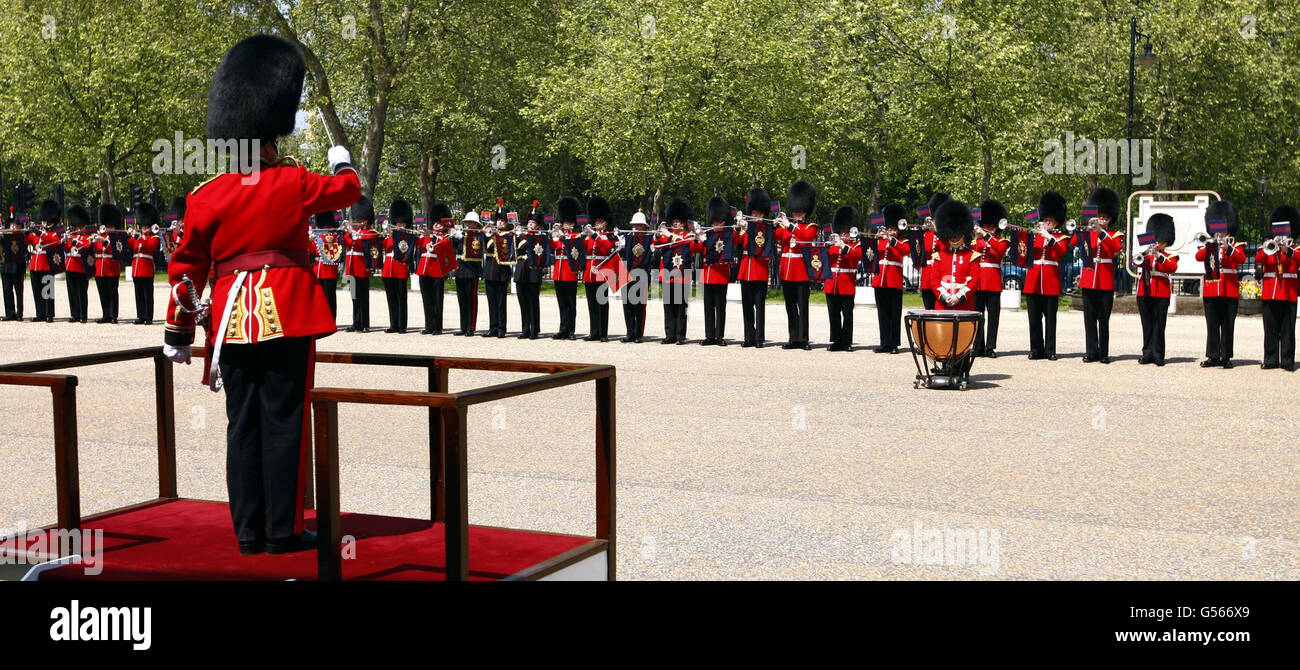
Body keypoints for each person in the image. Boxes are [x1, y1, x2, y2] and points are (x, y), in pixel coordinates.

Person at [161, 34, 361, 555]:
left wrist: (179, 331)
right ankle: (284, 530)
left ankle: (248, 532)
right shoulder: (293, 181)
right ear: (269, 138)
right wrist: (341, 161)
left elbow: (186, 271)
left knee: (241, 424)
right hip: (288, 312)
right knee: (285, 421)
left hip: (228, 321)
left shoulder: (206, 196)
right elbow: (349, 192)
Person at [1196, 200, 1246, 368]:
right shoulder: (1209, 245)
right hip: (1211, 290)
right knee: (1212, 324)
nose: (1219, 233)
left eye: (1223, 230)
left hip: (1229, 290)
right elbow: (1198, 257)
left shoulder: (1236, 245)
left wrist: (1228, 247)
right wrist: (1211, 245)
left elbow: (1241, 258)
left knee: (1227, 325)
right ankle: (1213, 356)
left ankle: (1226, 356)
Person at [1076, 188, 1123, 364]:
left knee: (1103, 319)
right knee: (1089, 319)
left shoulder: (1114, 234)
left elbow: (1115, 247)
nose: (1102, 219)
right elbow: (1073, 243)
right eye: (1100, 216)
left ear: (1110, 219)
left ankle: (1103, 352)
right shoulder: (1087, 233)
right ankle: (1091, 351)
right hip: (1089, 280)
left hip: (1104, 281)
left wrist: (1100, 232)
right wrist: (1084, 229)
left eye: (1105, 217)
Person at [1024, 191, 1072, 360]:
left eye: (1051, 221)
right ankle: (1036, 349)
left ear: (1057, 221)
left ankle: (1050, 350)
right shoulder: (1034, 237)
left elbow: (1061, 251)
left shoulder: (1062, 237)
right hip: (1033, 281)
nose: (1047, 223)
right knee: (1034, 319)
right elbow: (1023, 252)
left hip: (1050, 282)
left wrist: (1048, 237)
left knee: (1050, 320)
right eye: (1046, 220)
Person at [774, 181, 819, 350]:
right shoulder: (784, 227)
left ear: (805, 212)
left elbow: (806, 238)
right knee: (790, 306)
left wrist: (790, 225)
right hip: (786, 271)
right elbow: (775, 236)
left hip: (801, 271)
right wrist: (775, 223)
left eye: (800, 212)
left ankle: (804, 338)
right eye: (795, 211)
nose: (797, 214)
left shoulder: (811, 226)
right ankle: (793, 338)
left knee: (803, 306)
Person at [1257, 206, 1299, 371]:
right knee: (1270, 329)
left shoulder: (1295, 249)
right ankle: (1270, 359)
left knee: (1288, 329)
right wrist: (1272, 246)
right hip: (1270, 293)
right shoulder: (1268, 247)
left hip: (1288, 293)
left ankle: (1287, 360)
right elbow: (1259, 257)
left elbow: (1298, 258)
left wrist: (1286, 250)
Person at [1134, 213, 1178, 366]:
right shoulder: (1145, 253)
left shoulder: (1171, 255)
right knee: (1147, 325)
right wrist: (1147, 252)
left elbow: (1171, 267)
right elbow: (1136, 263)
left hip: (1161, 292)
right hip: (1144, 291)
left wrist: (1158, 254)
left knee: (1159, 325)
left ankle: (1158, 354)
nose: (1158, 242)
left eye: (1161, 239)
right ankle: (1147, 353)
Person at [655, 196, 700, 344]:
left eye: (678, 222)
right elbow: (656, 242)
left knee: (681, 306)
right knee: (668, 306)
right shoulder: (666, 235)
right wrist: (658, 232)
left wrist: (670, 235)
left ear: (684, 222)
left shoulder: (688, 235)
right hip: (668, 274)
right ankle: (669, 335)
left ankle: (680, 335)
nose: (675, 224)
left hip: (683, 275)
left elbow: (692, 246)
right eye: (673, 222)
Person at [971, 200, 1009, 358]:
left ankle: (990, 347)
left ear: (996, 227)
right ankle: (978, 346)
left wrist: (985, 235)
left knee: (993, 316)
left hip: (993, 283)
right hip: (978, 282)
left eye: (990, 226)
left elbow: (999, 251)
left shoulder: (1002, 241)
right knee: (977, 315)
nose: (987, 229)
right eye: (985, 226)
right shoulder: (975, 241)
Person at [735, 188, 772, 348]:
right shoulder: (746, 227)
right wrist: (739, 225)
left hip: (760, 270)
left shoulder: (766, 228)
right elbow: (737, 240)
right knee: (747, 306)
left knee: (760, 307)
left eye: (759, 213)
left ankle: (759, 337)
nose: (756, 215)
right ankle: (749, 336)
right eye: (754, 213)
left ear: (763, 214)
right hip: (745, 270)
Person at [870, 203, 910, 353]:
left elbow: (904, 251)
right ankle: (884, 342)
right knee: (883, 313)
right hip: (879, 279)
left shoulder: (903, 241)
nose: (891, 231)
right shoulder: (879, 240)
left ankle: (893, 344)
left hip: (894, 280)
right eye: (889, 228)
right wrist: (875, 239)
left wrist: (890, 239)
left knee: (894, 313)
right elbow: (871, 254)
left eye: (893, 229)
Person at [825, 206, 863, 351]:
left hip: (847, 283)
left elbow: (857, 257)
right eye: (841, 232)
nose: (843, 235)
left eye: (846, 233)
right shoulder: (832, 245)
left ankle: (847, 341)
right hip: (831, 283)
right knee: (833, 314)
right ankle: (836, 341)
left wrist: (844, 246)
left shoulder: (856, 245)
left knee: (847, 315)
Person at [931, 200, 980, 312]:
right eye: (951, 234)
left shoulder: (972, 256)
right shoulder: (940, 256)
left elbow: (974, 281)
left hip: (964, 305)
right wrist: (944, 296)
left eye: (956, 234)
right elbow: (934, 280)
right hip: (943, 305)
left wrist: (959, 297)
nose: (953, 238)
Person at [417, 204, 456, 335]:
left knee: (437, 300)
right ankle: (429, 325)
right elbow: (414, 244)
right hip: (424, 271)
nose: (436, 225)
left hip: (437, 272)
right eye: (435, 222)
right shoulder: (425, 236)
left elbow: (443, 246)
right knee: (427, 300)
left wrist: (432, 236)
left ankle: (438, 327)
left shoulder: (445, 238)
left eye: (439, 223)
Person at [699, 196, 734, 345]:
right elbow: (696, 249)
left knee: (720, 307)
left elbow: (738, 239)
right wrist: (698, 239)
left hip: (721, 273)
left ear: (724, 221)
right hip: (707, 274)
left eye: (718, 221)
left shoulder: (728, 234)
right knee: (708, 307)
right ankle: (709, 336)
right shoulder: (708, 234)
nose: (716, 224)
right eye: (714, 221)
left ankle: (719, 336)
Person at [342, 197, 378, 332]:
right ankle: (356, 323)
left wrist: (352, 232)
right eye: (357, 219)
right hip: (351, 269)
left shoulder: (370, 233)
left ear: (366, 220)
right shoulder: (354, 232)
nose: (358, 222)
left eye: (360, 220)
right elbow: (346, 243)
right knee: (354, 297)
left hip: (362, 268)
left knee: (363, 297)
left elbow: (364, 244)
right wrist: (346, 231)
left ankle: (364, 323)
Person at [583, 196, 617, 342]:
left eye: (600, 222)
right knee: (591, 304)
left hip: (602, 273)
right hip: (589, 273)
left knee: (602, 304)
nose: (597, 224)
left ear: (605, 223)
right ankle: (594, 332)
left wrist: (594, 235)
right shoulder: (589, 237)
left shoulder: (609, 236)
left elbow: (607, 247)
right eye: (596, 222)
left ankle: (603, 333)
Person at [618, 211, 653, 343]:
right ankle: (630, 333)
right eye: (635, 225)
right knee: (627, 305)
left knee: (640, 306)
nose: (637, 228)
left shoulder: (649, 239)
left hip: (642, 273)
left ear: (644, 227)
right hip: (627, 273)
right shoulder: (626, 238)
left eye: (640, 225)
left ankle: (638, 334)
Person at [513, 202, 546, 339]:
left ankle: (534, 329)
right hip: (521, 269)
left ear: (537, 225)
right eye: (530, 222)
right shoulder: (521, 236)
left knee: (533, 301)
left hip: (533, 270)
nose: (531, 224)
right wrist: (515, 234)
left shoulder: (541, 236)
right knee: (523, 301)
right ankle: (525, 328)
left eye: (533, 222)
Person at [551, 196, 582, 339]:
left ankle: (571, 330)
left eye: (569, 223)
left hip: (570, 272)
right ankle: (562, 329)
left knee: (571, 304)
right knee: (562, 304)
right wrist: (552, 236)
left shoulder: (576, 236)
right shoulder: (558, 236)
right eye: (564, 223)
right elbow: (550, 247)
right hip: (558, 273)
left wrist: (563, 237)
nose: (566, 225)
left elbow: (573, 248)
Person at [381, 199, 413, 334]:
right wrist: (385, 235)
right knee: (391, 298)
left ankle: (402, 325)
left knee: (401, 298)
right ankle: (393, 324)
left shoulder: (407, 236)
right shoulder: (389, 236)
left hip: (400, 268)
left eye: (402, 223)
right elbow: (381, 247)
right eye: (398, 223)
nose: (400, 225)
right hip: (388, 269)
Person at [483, 201, 514, 338]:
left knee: (501, 301)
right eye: (499, 220)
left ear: (507, 223)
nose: (500, 223)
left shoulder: (509, 235)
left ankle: (502, 327)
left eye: (503, 221)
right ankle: (493, 327)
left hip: (502, 271)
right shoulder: (490, 234)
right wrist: (486, 233)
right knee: (491, 301)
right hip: (490, 271)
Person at [451, 210, 484, 336]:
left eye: (472, 222)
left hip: (472, 270)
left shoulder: (477, 235)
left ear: (476, 224)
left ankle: (471, 327)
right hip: (460, 269)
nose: (469, 224)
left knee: (471, 300)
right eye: (468, 222)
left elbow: (477, 246)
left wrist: (466, 236)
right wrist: (454, 237)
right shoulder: (462, 234)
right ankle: (463, 326)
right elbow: (453, 248)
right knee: (462, 299)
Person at [129, 203, 161, 325]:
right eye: (142, 226)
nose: (144, 228)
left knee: (148, 294)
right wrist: (129, 234)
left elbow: (150, 247)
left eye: (146, 227)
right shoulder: (137, 237)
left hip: (146, 268)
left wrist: (139, 236)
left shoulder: (154, 237)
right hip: (136, 268)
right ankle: (141, 316)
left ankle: (148, 317)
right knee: (138, 294)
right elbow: (129, 244)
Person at [92, 204, 123, 324]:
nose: (107, 228)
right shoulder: (100, 236)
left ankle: (113, 315)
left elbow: (116, 249)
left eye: (110, 226)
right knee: (103, 292)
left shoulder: (117, 237)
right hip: (99, 268)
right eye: (106, 226)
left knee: (112, 292)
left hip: (111, 268)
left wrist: (103, 240)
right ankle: (105, 314)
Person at [918, 193, 950, 310]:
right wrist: (920, 232)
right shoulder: (926, 234)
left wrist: (937, 230)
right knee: (928, 307)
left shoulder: (946, 234)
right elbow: (918, 250)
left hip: (941, 275)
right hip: (927, 276)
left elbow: (947, 248)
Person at [309, 210, 342, 318]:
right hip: (317, 269)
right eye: (323, 226)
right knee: (319, 297)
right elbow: (310, 250)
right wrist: (309, 240)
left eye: (327, 226)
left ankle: (331, 318)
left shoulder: (334, 237)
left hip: (328, 271)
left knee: (329, 297)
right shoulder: (317, 237)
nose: (325, 228)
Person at [63, 205, 93, 323]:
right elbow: (66, 249)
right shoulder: (73, 235)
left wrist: (72, 240)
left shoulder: (88, 236)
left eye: (81, 226)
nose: (79, 228)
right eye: (77, 226)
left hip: (81, 266)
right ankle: (74, 314)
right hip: (70, 265)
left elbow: (85, 245)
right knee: (72, 292)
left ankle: (83, 315)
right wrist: (65, 240)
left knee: (81, 292)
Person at [1, 215, 25, 321]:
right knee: (7, 291)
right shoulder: (4, 236)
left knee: (19, 291)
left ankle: (19, 313)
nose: (13, 227)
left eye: (15, 225)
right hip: (6, 267)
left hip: (18, 267)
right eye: (11, 224)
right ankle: (10, 313)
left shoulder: (22, 236)